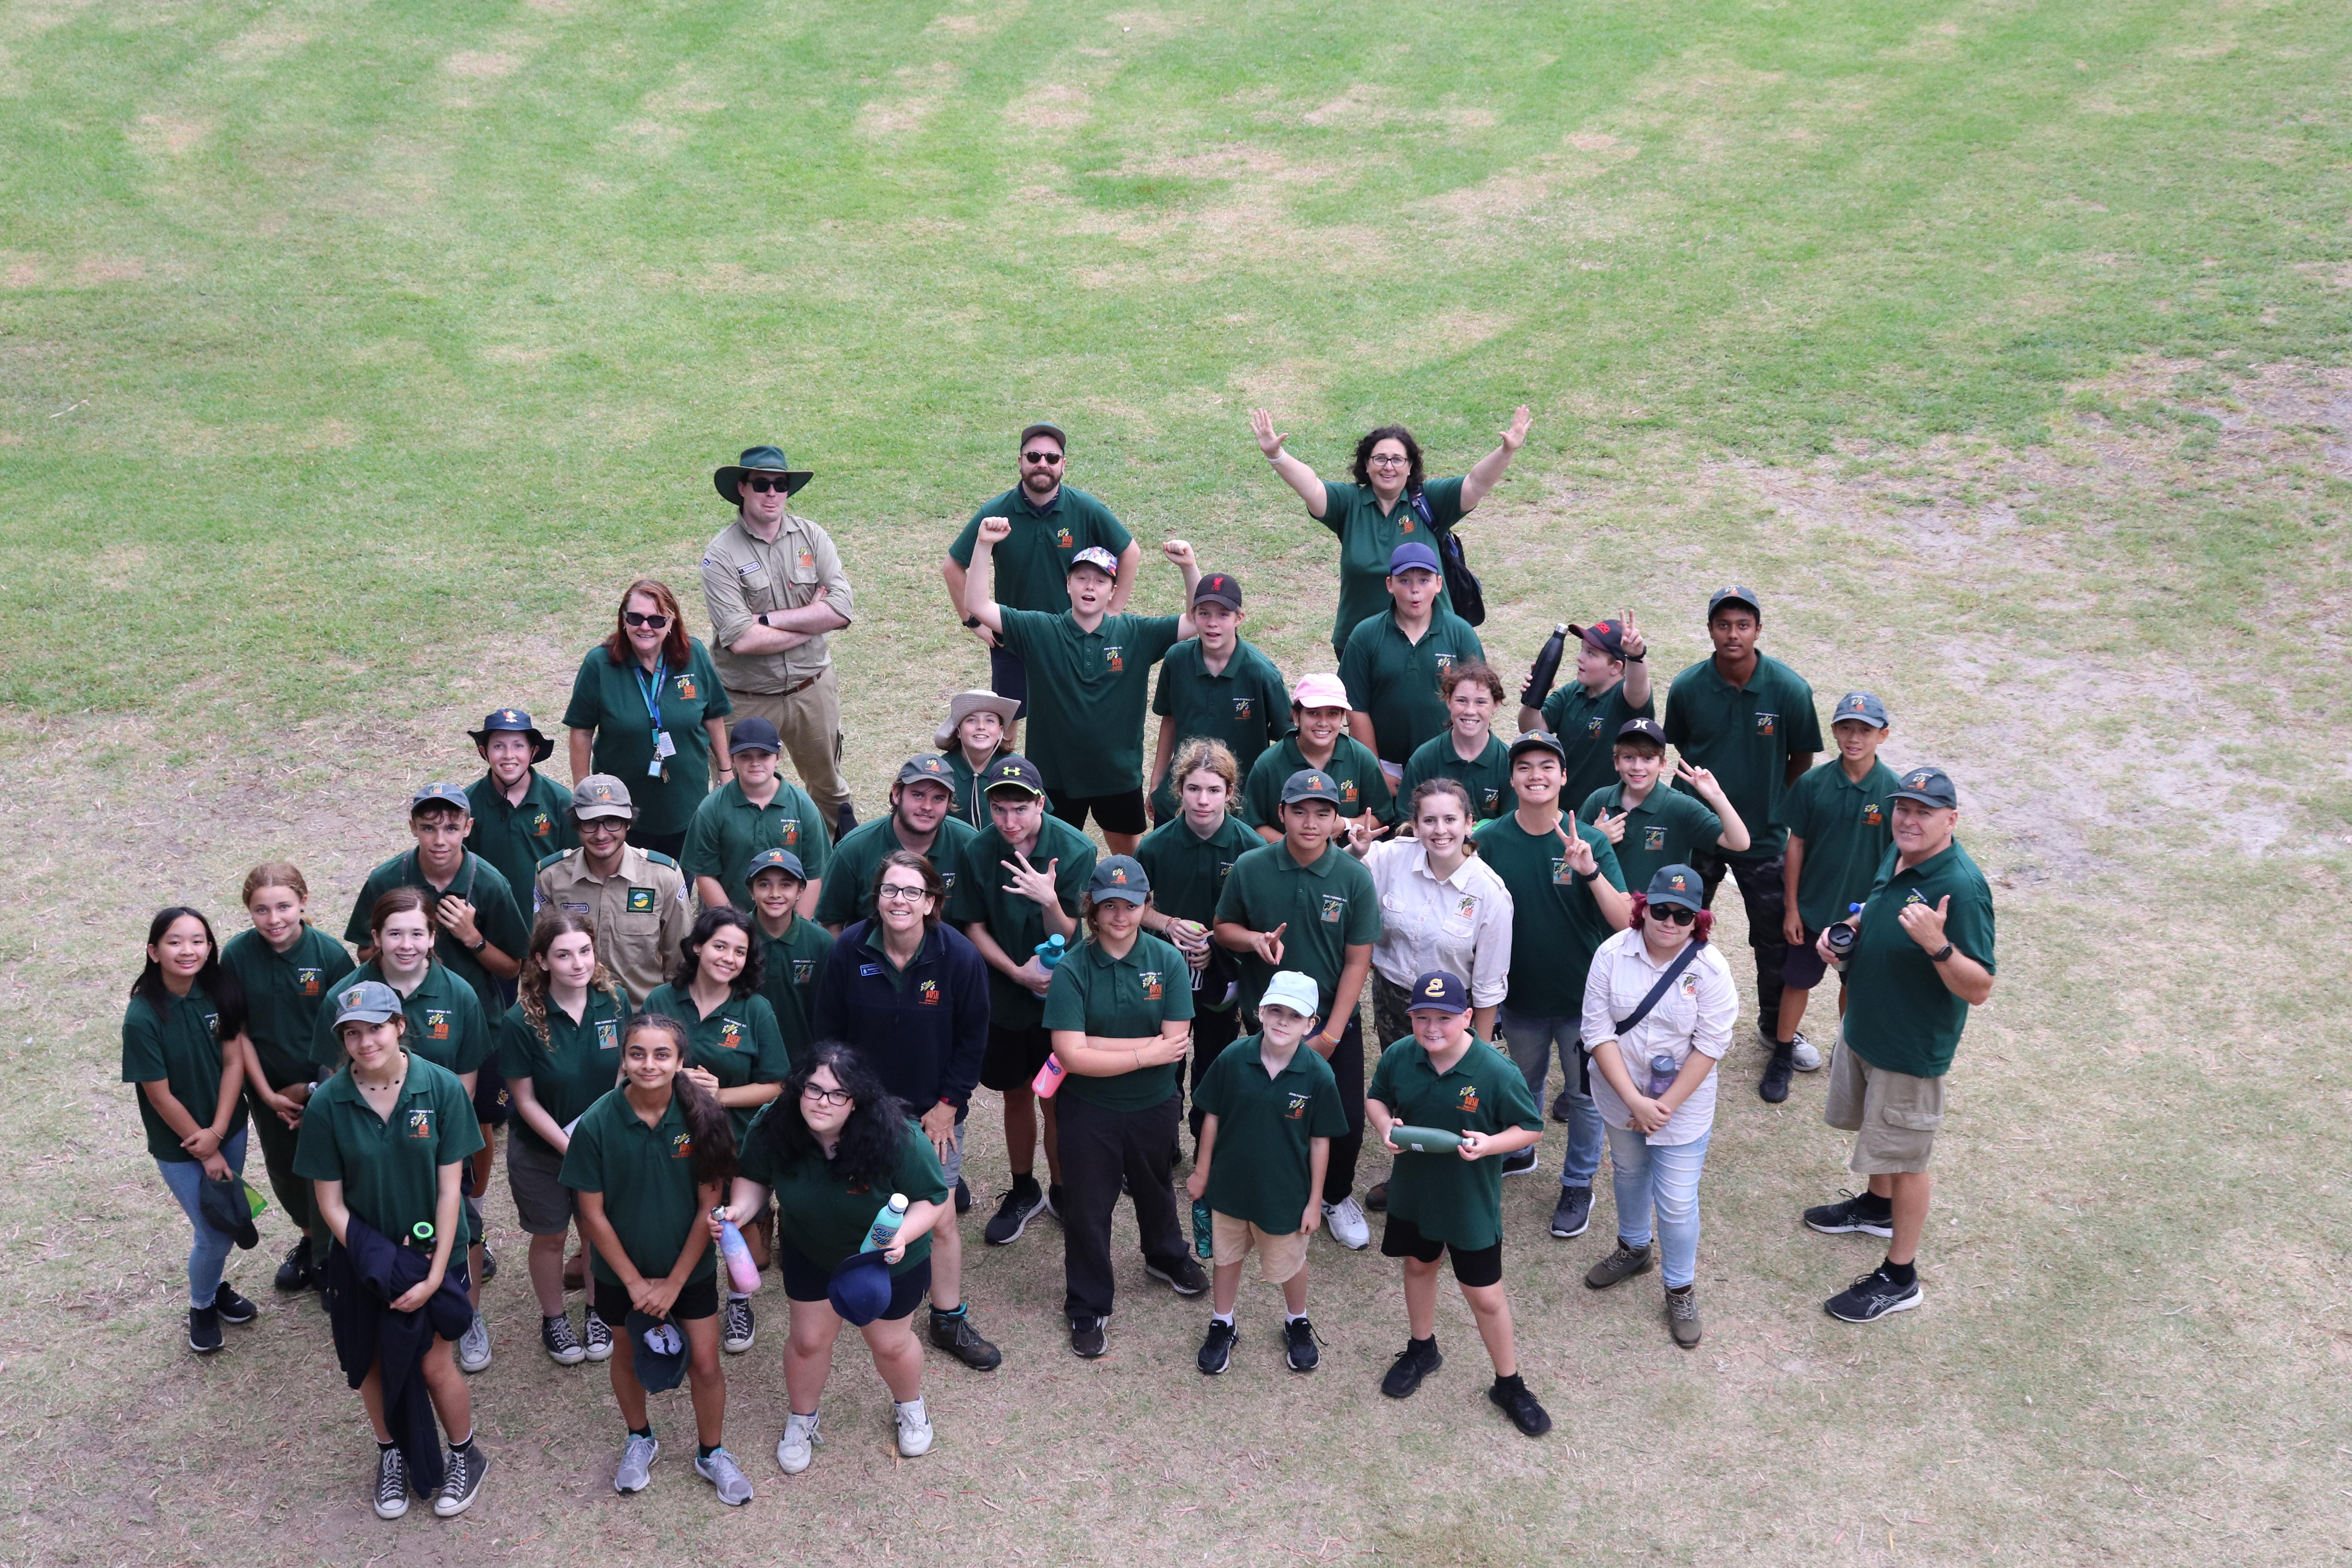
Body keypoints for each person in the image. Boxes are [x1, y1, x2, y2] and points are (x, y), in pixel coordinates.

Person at [1801, 767, 1995, 1323]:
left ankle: (1900, 1276)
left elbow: (1980, 987)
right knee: (1879, 1134)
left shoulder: (1963, 887)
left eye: (1924, 812)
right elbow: (1876, 907)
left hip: (1910, 1049)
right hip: (1868, 1027)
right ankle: (1876, 1206)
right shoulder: (1900, 852)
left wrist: (1938, 946)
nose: (1909, 820)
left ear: (1951, 820)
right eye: (1903, 808)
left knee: (1908, 1159)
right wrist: (1848, 931)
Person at [296, 981, 487, 1519]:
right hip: (363, 1261)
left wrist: (432, 1275)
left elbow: (451, 1190)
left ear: (400, 1027)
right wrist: (378, 1261)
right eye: (352, 1033)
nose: (366, 1042)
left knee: (434, 1363)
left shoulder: (441, 1088)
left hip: (433, 1257)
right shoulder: (328, 1103)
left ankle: (465, 1455)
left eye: (377, 1028)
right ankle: (391, 1454)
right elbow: (330, 1204)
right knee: (372, 1361)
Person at [719, 1044, 952, 1472]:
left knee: (889, 1344)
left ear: (857, 1100)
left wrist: (901, 1236)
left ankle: (910, 1405)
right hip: (812, 1249)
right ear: (798, 1088)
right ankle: (802, 1419)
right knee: (808, 1341)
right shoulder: (774, 1123)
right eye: (813, 1089)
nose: (823, 1102)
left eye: (838, 1094)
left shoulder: (897, 1135)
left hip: (886, 1260)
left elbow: (932, 1198)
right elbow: (754, 1178)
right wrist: (740, 1211)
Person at [558, 1012, 753, 1506]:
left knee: (705, 1362)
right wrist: (635, 1283)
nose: (649, 1064)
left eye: (662, 1054)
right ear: (623, 1059)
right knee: (628, 1357)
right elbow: (592, 1214)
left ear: (681, 1060)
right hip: (621, 1275)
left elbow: (710, 1206)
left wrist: (673, 1283)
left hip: (689, 1271)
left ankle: (711, 1452)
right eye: (637, 1053)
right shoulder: (598, 1122)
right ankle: (640, 1437)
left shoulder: (703, 1117)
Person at [815, 849, 998, 1370]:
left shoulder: (959, 956)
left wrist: (949, 1105)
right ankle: (852, 1295)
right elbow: (828, 1033)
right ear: (877, 898)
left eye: (913, 891)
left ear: (931, 902)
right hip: (860, 1111)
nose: (900, 900)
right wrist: (841, 1103)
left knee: (939, 1217)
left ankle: (947, 1318)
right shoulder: (849, 948)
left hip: (932, 1116)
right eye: (891, 890)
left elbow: (973, 1038)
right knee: (857, 1202)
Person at [309, 889, 495, 1374]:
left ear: (434, 937)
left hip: (442, 1139)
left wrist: (437, 1137)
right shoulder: (343, 996)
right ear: (375, 937)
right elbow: (335, 1079)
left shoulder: (460, 993)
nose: (406, 944)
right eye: (394, 933)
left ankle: (466, 1313)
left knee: (463, 1226)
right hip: (370, 1146)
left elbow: (467, 1081)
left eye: (417, 933)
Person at [1364, 971, 1549, 1437]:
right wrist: (1385, 1126)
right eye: (1422, 1017)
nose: (1432, 1029)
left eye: (1444, 1018)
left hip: (1470, 1202)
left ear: (1468, 1017)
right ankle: (1422, 1349)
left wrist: (1490, 1145)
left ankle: (1509, 1384)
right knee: (1418, 1266)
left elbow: (1530, 1128)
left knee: (1485, 1296)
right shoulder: (1400, 1056)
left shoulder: (1495, 1071)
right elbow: (1377, 1099)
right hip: (1414, 1193)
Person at [1660, 585, 1823, 1100]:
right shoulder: (1688, 687)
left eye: (1743, 625)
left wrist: (1776, 807)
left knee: (1775, 941)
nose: (1733, 634)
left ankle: (1777, 1035)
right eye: (1723, 625)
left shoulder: (1789, 690)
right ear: (1711, 629)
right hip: (1701, 833)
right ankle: (1669, 1018)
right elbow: (1682, 748)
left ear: (1758, 630)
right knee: (1676, 928)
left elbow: (1801, 758)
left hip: (1766, 839)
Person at [959, 517, 1202, 856]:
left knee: (1130, 864)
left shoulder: (1136, 634)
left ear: (1113, 590)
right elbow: (978, 605)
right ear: (1068, 584)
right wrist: (984, 544)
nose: (1091, 587)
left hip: (1118, 777)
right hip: (1054, 779)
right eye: (1082, 578)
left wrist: (1189, 567)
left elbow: (1195, 621)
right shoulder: (1040, 630)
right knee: (1050, 861)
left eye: (1101, 581)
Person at [1212, 769, 1382, 1251]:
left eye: (1322, 813)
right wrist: (1254, 940)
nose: (1310, 823)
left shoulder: (1354, 877)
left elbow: (1358, 960)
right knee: (1267, 1117)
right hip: (1268, 1023)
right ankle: (1270, 1191)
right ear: (1281, 813)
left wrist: (1329, 1036)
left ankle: (1335, 1197)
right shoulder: (1251, 866)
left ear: (1336, 820)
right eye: (1300, 811)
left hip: (1332, 1022)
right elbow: (1223, 927)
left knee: (1344, 1121)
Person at [1044, 857, 1205, 1359]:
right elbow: (1070, 1056)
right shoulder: (1073, 968)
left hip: (1154, 1104)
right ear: (1091, 909)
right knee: (1088, 1206)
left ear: (1145, 906)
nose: (1120, 915)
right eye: (1109, 905)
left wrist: (1097, 1045)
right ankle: (1088, 1302)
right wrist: (1144, 1053)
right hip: (1088, 1109)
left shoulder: (1167, 960)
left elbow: (1176, 1043)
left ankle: (1165, 1256)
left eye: (1131, 905)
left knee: (1156, 1185)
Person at [1472, 733, 1631, 1234]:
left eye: (1547, 766)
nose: (1536, 775)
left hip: (1584, 1002)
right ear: (1512, 777)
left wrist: (1589, 871)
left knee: (1584, 1096)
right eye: (1525, 766)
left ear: (1564, 777)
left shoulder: (1591, 841)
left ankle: (1578, 1182)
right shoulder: (1490, 840)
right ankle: (1520, 1149)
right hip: (1518, 997)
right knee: (1523, 1083)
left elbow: (1626, 920)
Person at [1579, 866, 1739, 1348]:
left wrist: (1660, 1107)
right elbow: (1597, 1031)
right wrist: (1635, 1100)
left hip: (1681, 1106)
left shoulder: (1711, 969)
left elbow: (1711, 1045)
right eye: (1661, 910)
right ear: (1643, 908)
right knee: (1628, 1171)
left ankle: (1680, 1288)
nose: (1670, 922)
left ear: (1698, 920)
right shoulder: (1611, 954)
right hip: (1620, 1093)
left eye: (1683, 915)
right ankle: (1634, 1248)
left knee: (1677, 1200)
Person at [1342, 778, 1515, 1211]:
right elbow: (1341, 877)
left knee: (1452, 1097)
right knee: (1407, 1090)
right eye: (1430, 820)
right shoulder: (1391, 858)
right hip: (1394, 1000)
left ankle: (1454, 1184)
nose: (1441, 830)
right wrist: (1356, 853)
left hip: (1452, 1013)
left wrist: (1480, 1051)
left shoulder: (1490, 893)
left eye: (1451, 820)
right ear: (1415, 824)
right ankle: (1409, 1176)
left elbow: (1490, 984)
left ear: (1469, 824)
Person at [949, 755, 1095, 1244]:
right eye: (999, 809)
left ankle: (1062, 1190)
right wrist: (1015, 972)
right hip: (1005, 996)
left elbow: (1070, 934)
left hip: (1060, 1001)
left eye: (1020, 809)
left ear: (1040, 804)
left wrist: (1048, 899)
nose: (1009, 821)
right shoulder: (978, 849)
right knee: (1016, 1093)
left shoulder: (1075, 849)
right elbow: (972, 926)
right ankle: (1022, 1188)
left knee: (1054, 1098)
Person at [1250, 407, 1533, 657]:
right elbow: (1311, 487)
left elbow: (1476, 483)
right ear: (1367, 465)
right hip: (1361, 644)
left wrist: (1507, 451)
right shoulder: (1350, 503)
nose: (1389, 467)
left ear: (1410, 467)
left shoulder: (1430, 500)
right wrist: (1276, 455)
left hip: (1432, 640)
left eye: (1398, 460)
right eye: (1380, 459)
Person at [641, 907, 791, 1356]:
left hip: (736, 1142)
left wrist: (719, 1095)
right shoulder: (661, 1000)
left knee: (742, 1240)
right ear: (697, 946)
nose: (729, 957)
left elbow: (778, 1085)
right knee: (674, 1225)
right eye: (720, 946)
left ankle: (740, 1302)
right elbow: (635, 1065)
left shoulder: (756, 1009)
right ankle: (676, 1300)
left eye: (740, 951)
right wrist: (671, 1079)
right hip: (668, 1138)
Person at [1185, 970, 1345, 1376]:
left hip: (1285, 1194)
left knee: (1290, 1261)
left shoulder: (1318, 1075)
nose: (1283, 1022)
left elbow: (1321, 1141)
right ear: (1260, 1011)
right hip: (1230, 1187)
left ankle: (1297, 1320)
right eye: (1276, 1011)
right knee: (1227, 1256)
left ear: (1311, 1024)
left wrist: (1314, 1202)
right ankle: (1223, 1322)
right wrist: (1202, 1171)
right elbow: (1212, 1115)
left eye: (1295, 1016)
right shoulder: (1233, 1057)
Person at [699, 445, 858, 836]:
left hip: (811, 689)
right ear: (742, 488)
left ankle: (840, 865)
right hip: (746, 699)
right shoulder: (721, 555)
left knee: (830, 790)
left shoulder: (812, 536)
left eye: (781, 485)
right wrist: (813, 619)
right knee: (740, 795)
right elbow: (742, 640)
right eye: (761, 484)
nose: (772, 493)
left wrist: (768, 620)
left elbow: (842, 610)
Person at [495, 911, 630, 1367]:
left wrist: (603, 1134)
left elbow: (622, 1071)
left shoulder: (615, 1001)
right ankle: (554, 1317)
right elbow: (524, 1100)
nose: (578, 964)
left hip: (601, 1146)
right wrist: (571, 1147)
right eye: (564, 955)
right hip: (543, 1151)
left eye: (585, 951)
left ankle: (597, 1310)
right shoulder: (520, 1020)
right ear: (542, 960)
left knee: (595, 1230)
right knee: (551, 1236)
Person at [942, 422, 1141, 722]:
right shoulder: (995, 513)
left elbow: (1130, 552)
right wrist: (973, 622)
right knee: (1008, 722)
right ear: (1021, 462)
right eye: (1034, 457)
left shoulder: (1086, 509)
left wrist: (1113, 611)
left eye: (1052, 458)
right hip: (1014, 640)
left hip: (1072, 640)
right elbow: (953, 566)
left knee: (1072, 720)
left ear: (1064, 465)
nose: (1043, 464)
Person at [122, 907, 253, 1354]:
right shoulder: (142, 1017)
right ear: (153, 951)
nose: (187, 950)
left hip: (229, 1129)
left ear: (210, 947)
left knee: (227, 1217)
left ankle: (215, 1289)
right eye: (175, 942)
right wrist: (206, 1149)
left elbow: (234, 1062)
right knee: (214, 1233)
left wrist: (219, 1130)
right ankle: (201, 1306)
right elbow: (160, 1096)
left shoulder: (220, 992)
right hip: (180, 1146)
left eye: (198, 941)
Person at [221, 863, 354, 1296]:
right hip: (268, 1087)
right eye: (261, 910)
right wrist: (266, 1094)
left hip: (327, 1086)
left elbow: (348, 1034)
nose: (273, 919)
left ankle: (334, 1258)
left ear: (303, 902)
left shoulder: (329, 955)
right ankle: (311, 1241)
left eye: (283, 906)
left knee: (330, 1169)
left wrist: (319, 1091)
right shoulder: (237, 956)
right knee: (285, 1169)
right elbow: (237, 1031)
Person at [1136, 739, 1261, 1150]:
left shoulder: (1251, 849)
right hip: (1165, 975)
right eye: (1193, 789)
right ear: (1180, 790)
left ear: (1230, 792)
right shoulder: (1156, 846)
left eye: (1213, 790)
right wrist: (1169, 924)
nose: (1203, 800)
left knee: (1214, 1062)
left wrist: (1219, 949)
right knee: (1166, 1061)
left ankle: (1206, 1146)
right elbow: (1132, 909)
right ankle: (1162, 1145)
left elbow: (1260, 920)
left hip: (1224, 978)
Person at [1773, 692, 1902, 1090]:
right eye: (1846, 728)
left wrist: (1874, 914)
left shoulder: (1895, 792)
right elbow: (1796, 844)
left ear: (1883, 735)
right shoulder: (1813, 783)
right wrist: (1792, 909)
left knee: (1854, 987)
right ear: (1833, 730)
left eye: (1865, 730)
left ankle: (1847, 1056)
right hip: (1812, 911)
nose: (1854, 738)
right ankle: (1781, 1056)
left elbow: (1898, 861)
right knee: (1797, 982)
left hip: (1864, 919)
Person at [563, 578, 732, 859]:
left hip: (686, 804)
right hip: (619, 811)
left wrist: (726, 771)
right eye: (636, 618)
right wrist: (582, 790)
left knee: (681, 880)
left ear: (671, 622)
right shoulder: (599, 664)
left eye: (656, 620)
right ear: (624, 620)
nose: (645, 627)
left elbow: (713, 716)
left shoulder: (695, 655)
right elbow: (581, 731)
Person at [343, 782, 528, 1018]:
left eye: (451, 829)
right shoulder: (386, 880)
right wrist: (402, 946)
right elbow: (364, 954)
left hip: (472, 1015)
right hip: (401, 1013)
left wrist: (473, 938)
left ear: (468, 828)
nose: (440, 841)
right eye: (429, 828)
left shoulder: (491, 884)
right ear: (413, 827)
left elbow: (512, 969)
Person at [1144, 572, 1292, 827]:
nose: (1213, 623)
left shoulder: (1262, 673)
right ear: (1193, 616)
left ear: (1239, 618)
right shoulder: (1176, 660)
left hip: (1239, 807)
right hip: (1182, 800)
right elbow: (1170, 720)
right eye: (1204, 613)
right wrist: (1157, 783)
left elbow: (1288, 740)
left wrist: (1269, 796)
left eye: (1223, 615)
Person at [532, 775, 693, 1006]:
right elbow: (542, 956)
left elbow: (679, 960)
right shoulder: (551, 877)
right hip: (576, 1012)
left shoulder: (663, 877)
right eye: (590, 823)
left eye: (612, 822)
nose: (601, 835)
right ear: (577, 825)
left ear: (628, 823)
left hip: (643, 1013)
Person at [1339, 542, 1486, 792]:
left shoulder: (1461, 634)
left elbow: (1480, 703)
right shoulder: (1365, 636)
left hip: (1447, 767)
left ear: (1439, 584)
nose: (1415, 591)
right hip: (1387, 767)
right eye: (1405, 581)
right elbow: (1356, 709)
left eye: (1424, 580)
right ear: (1390, 584)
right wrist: (1376, 771)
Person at [1581, 718, 1750, 898]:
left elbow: (1739, 843)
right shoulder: (1599, 800)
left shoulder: (1680, 806)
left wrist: (1717, 797)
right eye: (1629, 758)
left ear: (1662, 765)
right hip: (1601, 911)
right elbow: (1566, 857)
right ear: (1617, 762)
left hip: (1657, 912)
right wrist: (1596, 839)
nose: (1638, 767)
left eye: (1648, 759)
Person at [681, 717, 830, 917]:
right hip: (732, 918)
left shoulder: (803, 806)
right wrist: (735, 925)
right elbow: (706, 875)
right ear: (732, 758)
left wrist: (797, 926)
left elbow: (814, 875)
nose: (755, 763)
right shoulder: (712, 809)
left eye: (764, 755)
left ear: (778, 757)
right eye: (745, 756)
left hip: (791, 919)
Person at [815, 755, 980, 932]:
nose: (927, 806)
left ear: (949, 803)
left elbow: (980, 922)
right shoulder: (853, 849)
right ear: (896, 794)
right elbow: (830, 924)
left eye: (938, 798)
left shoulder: (969, 844)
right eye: (918, 795)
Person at [463, 709, 577, 948]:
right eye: (498, 746)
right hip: (489, 927)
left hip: (547, 927)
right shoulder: (467, 804)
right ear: (483, 752)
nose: (509, 756)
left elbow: (574, 866)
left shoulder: (560, 801)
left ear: (533, 751)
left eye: (518, 746)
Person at [1518, 616, 1655, 808]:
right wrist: (1535, 697)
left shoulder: (1627, 700)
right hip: (1563, 808)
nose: (1580, 657)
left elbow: (1638, 684)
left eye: (1591, 653)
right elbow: (1532, 730)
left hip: (1605, 813)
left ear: (1616, 667)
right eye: (1583, 649)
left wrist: (1636, 656)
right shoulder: (1574, 691)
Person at [1240, 673, 1393, 842]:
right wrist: (1295, 848)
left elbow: (1381, 816)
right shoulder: (1269, 763)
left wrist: (1345, 824)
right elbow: (1252, 825)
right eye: (1313, 713)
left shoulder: (1362, 759)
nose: (1323, 722)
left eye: (1333, 714)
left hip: (1347, 855)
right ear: (1296, 716)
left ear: (1342, 717)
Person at [744, 849, 831, 1067]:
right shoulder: (735, 936)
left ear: (800, 890)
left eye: (786, 885)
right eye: (764, 884)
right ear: (751, 891)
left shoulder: (820, 942)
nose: (775, 894)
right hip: (744, 1056)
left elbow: (831, 1009)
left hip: (802, 1059)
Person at [1400, 661, 1514, 821]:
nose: (1470, 711)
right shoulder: (1424, 759)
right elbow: (1406, 822)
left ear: (1496, 705)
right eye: (1462, 701)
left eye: (1481, 702)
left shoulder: (1509, 763)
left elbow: (1514, 824)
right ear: (1449, 701)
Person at [934, 690, 1022, 828]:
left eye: (990, 721)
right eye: (972, 720)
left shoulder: (1018, 768)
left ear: (1001, 731)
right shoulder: (940, 770)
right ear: (958, 731)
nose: (981, 727)